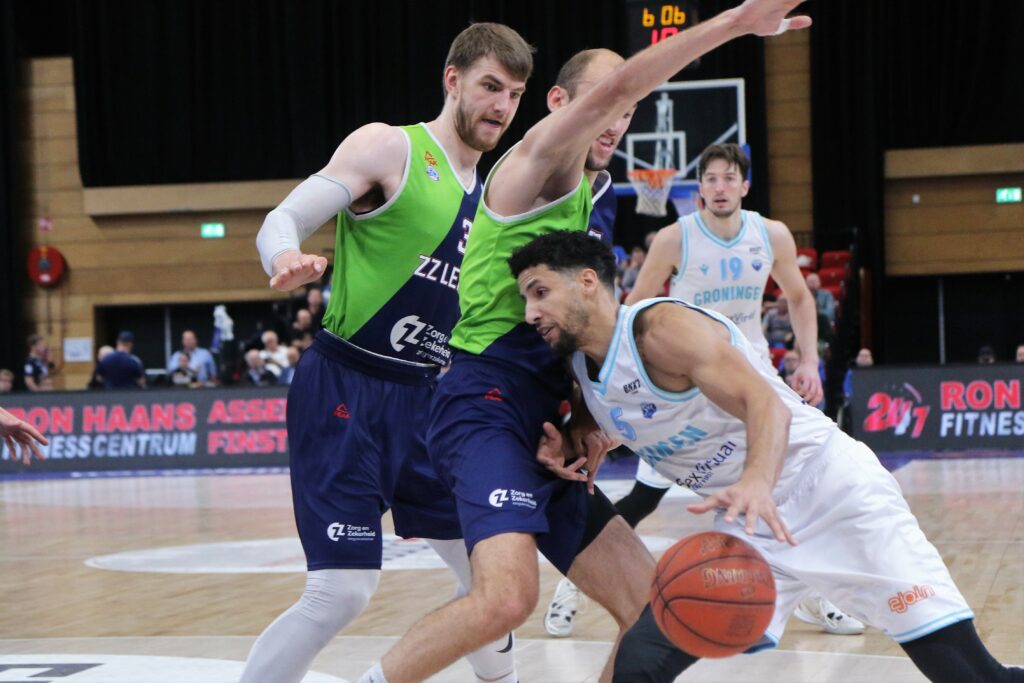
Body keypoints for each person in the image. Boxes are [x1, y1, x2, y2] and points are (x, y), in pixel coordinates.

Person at [357, 4, 813, 682]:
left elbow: (580, 334)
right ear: (559, 104)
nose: (617, 118)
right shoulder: (536, 162)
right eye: (606, 101)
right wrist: (736, 24)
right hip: (483, 404)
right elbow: (620, 86)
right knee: (507, 597)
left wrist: (587, 421)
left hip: (544, 415)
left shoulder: (589, 199)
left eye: (626, 111)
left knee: (655, 611)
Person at [509, 229, 1024, 683]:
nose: (530, 312)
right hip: (753, 528)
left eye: (540, 292)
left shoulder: (660, 330)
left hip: (830, 490)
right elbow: (609, 415)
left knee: (971, 675)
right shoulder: (581, 367)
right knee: (641, 661)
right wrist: (571, 442)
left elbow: (766, 405)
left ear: (587, 282)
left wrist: (756, 480)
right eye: (526, 299)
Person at [244, 22, 534, 683]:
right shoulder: (390, 147)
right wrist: (284, 256)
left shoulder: (497, 196)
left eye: (515, 95)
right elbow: (281, 219)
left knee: (493, 584)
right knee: (340, 593)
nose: (502, 106)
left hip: (433, 401)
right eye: (491, 86)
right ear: (453, 79)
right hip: (347, 385)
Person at [553, 141, 859, 637]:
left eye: (728, 178)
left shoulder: (771, 234)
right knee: (643, 499)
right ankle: (572, 584)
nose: (719, 188)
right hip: (678, 384)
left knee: (791, 484)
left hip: (746, 377)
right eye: (711, 179)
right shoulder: (675, 238)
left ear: (745, 186)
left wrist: (809, 361)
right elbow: (629, 311)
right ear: (699, 189)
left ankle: (816, 596)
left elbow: (801, 298)